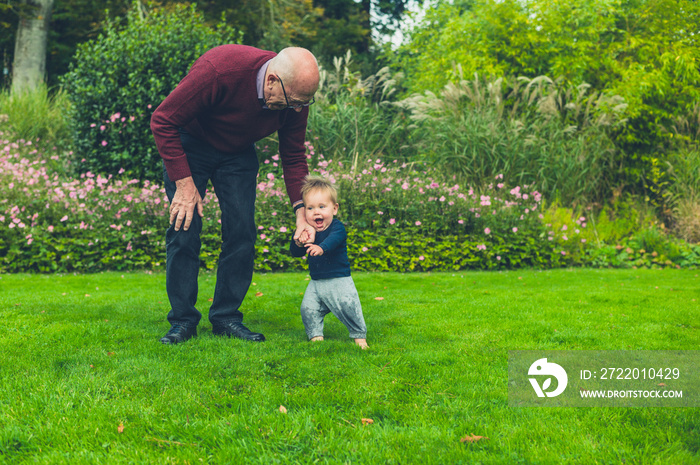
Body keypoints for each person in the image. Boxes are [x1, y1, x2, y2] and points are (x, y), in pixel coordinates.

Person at [150, 45, 319, 344]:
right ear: (272, 81)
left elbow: (293, 156)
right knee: (184, 228)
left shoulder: (295, 98)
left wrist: (301, 212)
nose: (296, 110)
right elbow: (163, 120)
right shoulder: (221, 70)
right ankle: (183, 321)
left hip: (237, 153)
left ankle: (226, 318)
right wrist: (185, 185)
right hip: (192, 145)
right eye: (293, 102)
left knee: (241, 231)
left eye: (303, 104)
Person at [290, 176, 368, 349]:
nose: (316, 212)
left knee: (349, 306)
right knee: (308, 309)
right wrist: (299, 242)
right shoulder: (308, 230)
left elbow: (334, 240)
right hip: (316, 282)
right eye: (310, 208)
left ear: (335, 208)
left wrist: (321, 248)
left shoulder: (337, 227)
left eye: (322, 207)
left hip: (339, 280)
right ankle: (315, 336)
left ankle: (359, 337)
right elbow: (295, 253)